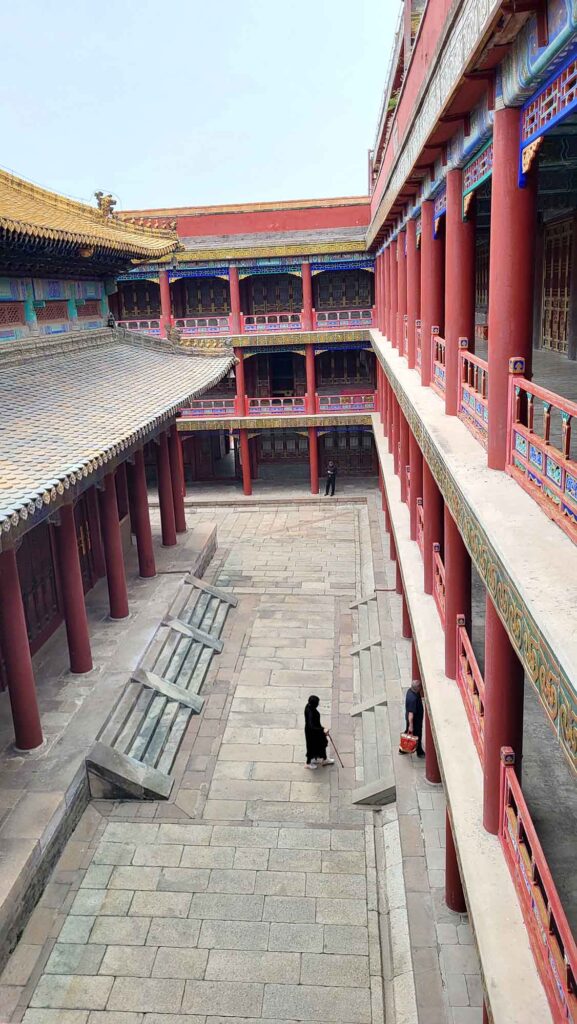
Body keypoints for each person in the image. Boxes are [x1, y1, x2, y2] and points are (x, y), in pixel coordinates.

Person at [304, 695, 334, 769]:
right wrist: (322, 729)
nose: (318, 704)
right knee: (312, 747)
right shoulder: (310, 712)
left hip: (316, 731)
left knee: (321, 745)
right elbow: (311, 726)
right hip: (312, 733)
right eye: (317, 703)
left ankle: (324, 759)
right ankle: (308, 763)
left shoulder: (308, 706)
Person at [399, 679, 425, 757]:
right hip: (414, 721)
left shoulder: (410, 691)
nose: (421, 688)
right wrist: (411, 725)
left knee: (407, 733)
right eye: (420, 687)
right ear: (417, 688)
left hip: (411, 720)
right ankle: (419, 752)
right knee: (417, 735)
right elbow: (411, 714)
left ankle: (403, 749)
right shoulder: (413, 699)